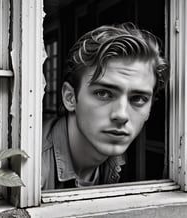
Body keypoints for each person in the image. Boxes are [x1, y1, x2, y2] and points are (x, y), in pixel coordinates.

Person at [42, 22, 169, 189]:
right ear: (70, 97)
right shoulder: (32, 172)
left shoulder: (117, 157)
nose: (122, 115)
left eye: (138, 98)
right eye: (103, 93)